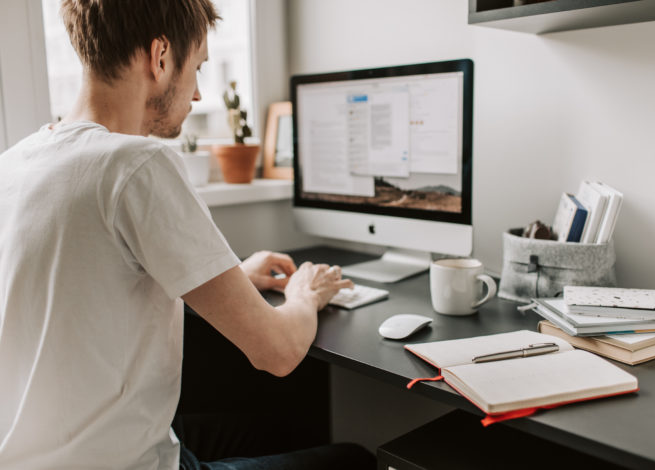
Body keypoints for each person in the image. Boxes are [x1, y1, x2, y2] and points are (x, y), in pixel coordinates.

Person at [0, 0, 375, 468]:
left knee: (276, 428)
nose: (198, 95)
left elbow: (85, 287)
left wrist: (232, 275)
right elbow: (278, 353)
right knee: (354, 457)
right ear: (160, 57)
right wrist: (304, 295)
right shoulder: (136, 164)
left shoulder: (15, 163)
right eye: (197, 67)